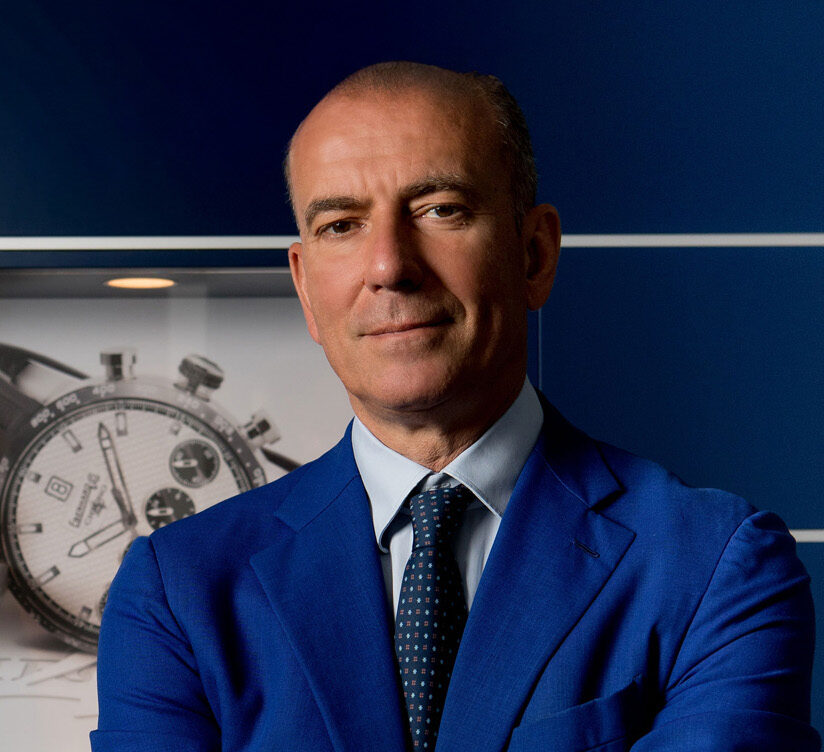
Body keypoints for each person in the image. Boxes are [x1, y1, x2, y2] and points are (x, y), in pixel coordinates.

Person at [90, 62, 818, 751]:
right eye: (341, 225)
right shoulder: (177, 592)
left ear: (534, 255)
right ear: (306, 287)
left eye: (440, 210)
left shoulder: (715, 567)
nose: (389, 267)